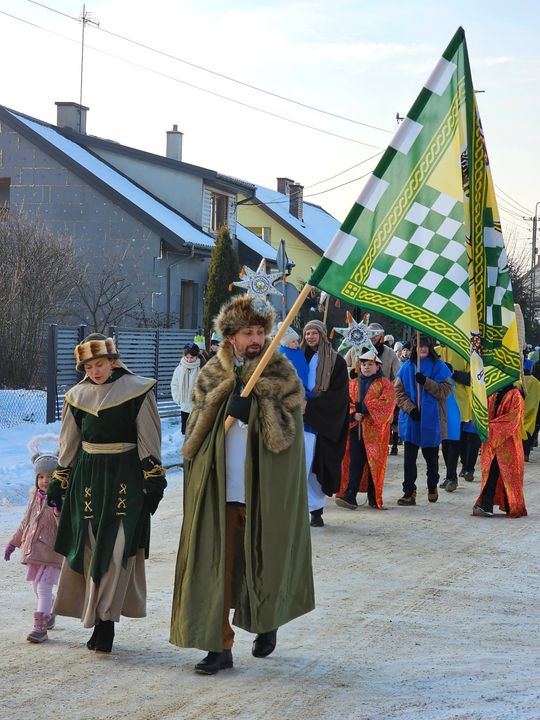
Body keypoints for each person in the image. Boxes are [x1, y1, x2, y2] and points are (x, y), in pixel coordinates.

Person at [170, 295, 314, 675]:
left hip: (262, 490)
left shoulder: (279, 370)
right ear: (230, 335)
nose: (255, 339)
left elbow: (289, 432)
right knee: (216, 568)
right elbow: (195, 429)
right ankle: (219, 647)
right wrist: (221, 409)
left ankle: (268, 621)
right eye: (248, 332)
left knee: (263, 563)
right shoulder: (210, 373)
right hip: (221, 490)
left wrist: (257, 408)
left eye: (260, 332)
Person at [46, 333, 166, 654]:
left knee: (116, 549)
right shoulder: (76, 397)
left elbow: (148, 438)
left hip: (125, 477)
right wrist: (59, 480)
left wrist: (153, 480)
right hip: (87, 479)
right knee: (89, 548)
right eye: (88, 366)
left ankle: (107, 622)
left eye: (99, 364)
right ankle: (98, 618)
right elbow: (69, 445)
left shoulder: (137, 390)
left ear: (113, 361)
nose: (95, 371)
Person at [4, 435, 63, 643]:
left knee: (44, 588)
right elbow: (25, 523)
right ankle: (50, 611)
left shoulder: (60, 500)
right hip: (35, 551)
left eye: (50, 476)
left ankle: (40, 628)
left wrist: (57, 510)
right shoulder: (34, 497)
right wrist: (13, 543)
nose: (45, 481)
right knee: (37, 588)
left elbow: (65, 526)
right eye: (41, 477)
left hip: (52, 552)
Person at [301, 319, 349, 527]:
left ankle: (316, 511)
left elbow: (339, 396)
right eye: (307, 333)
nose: (310, 337)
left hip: (321, 423)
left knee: (314, 466)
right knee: (298, 467)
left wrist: (311, 407)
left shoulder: (337, 361)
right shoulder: (297, 357)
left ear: (322, 335)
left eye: (314, 333)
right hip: (297, 420)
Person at [394, 335, 452, 505]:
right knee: (409, 460)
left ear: (430, 347)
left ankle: (432, 485)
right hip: (412, 419)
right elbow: (398, 392)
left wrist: (426, 382)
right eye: (419, 346)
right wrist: (410, 409)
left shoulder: (439, 366)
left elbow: (445, 390)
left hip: (432, 419)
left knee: (431, 458)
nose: (423, 349)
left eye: (425, 345)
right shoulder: (406, 367)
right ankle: (409, 491)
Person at [335, 350, 396, 510]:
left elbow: (388, 403)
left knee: (373, 464)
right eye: (363, 364)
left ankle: (373, 496)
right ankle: (350, 495)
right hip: (357, 429)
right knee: (355, 462)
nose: (366, 367)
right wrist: (353, 414)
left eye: (370, 364)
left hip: (376, 432)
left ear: (377, 366)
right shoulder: (353, 383)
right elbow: (344, 402)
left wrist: (367, 407)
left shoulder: (385, 384)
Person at [473, 384, 527, 518]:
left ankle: (510, 505)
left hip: (509, 443)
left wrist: (489, 428)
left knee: (508, 474)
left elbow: (512, 420)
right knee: (491, 472)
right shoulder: (493, 392)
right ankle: (486, 504)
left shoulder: (515, 394)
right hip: (493, 443)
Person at [171, 344, 203, 435]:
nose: (189, 360)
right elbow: (174, 384)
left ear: (197, 356)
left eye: (192, 357)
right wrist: (177, 398)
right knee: (185, 432)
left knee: (196, 432)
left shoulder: (201, 369)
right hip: (184, 406)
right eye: (187, 357)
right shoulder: (179, 369)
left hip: (197, 407)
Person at [522, 359, 540, 462]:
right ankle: (526, 454)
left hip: (520, 411)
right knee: (530, 432)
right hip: (533, 411)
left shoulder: (518, 381)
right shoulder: (536, 382)